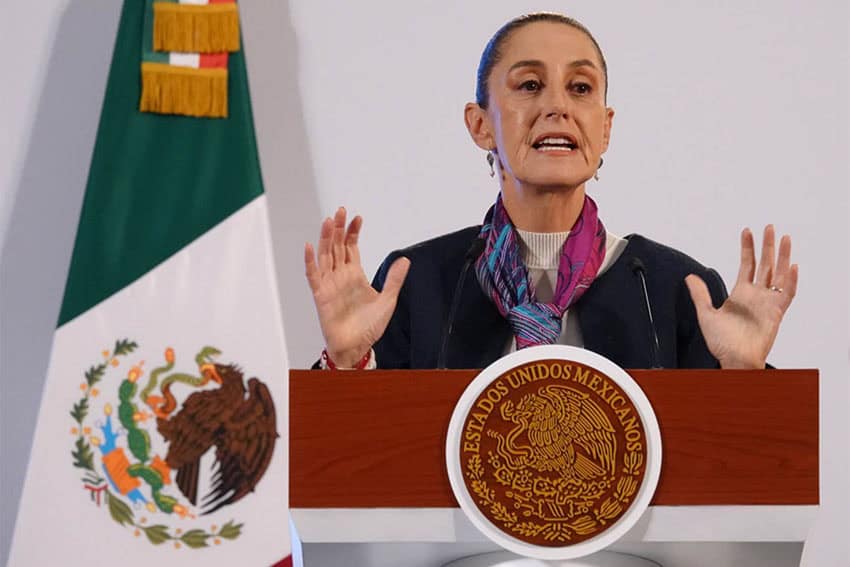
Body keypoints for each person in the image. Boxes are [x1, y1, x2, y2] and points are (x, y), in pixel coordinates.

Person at [303, 13, 798, 371]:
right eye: (530, 85)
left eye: (580, 88)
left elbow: (732, 487)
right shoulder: (418, 284)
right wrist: (346, 362)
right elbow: (351, 475)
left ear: (604, 129)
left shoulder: (673, 290)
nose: (557, 105)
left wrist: (742, 376)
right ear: (480, 126)